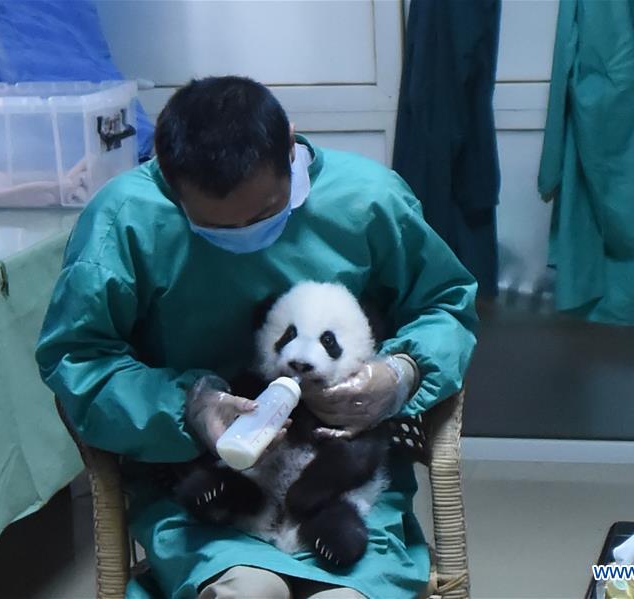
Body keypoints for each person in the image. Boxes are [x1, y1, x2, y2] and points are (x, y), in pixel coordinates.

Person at [36, 76, 478, 599]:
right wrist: (189, 408)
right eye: (214, 227)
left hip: (346, 489)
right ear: (168, 174)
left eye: (267, 212)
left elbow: (446, 305)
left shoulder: (369, 201)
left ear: (289, 147)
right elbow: (79, 361)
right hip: (204, 492)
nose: (247, 235)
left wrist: (399, 374)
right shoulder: (124, 221)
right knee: (243, 592)